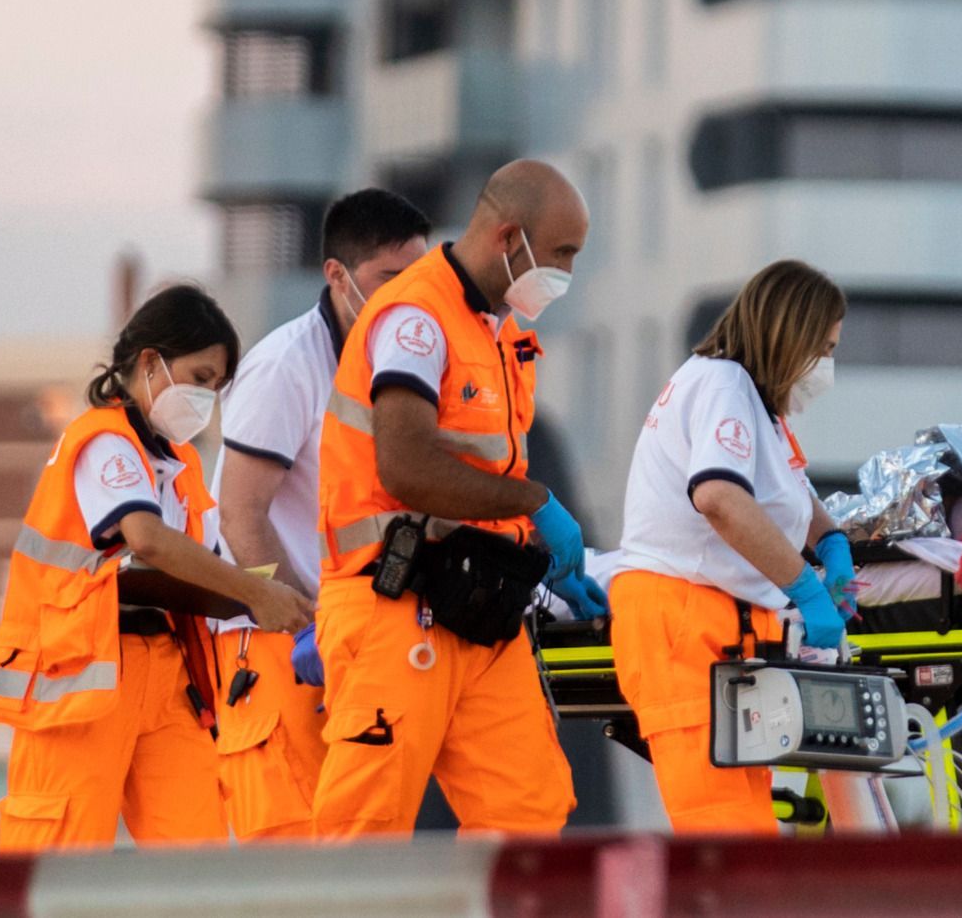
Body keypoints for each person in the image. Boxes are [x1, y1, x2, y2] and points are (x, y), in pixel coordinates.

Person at [312, 159, 603, 838]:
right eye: (560, 253)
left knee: (530, 817)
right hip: (395, 605)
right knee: (364, 832)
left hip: (475, 609)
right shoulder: (416, 319)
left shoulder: (500, 335)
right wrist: (538, 503)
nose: (566, 271)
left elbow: (477, 480)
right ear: (509, 239)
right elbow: (406, 464)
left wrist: (538, 555)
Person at [0, 285, 314, 852]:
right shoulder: (102, 444)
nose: (208, 395)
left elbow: (203, 564)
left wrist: (273, 595)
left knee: (194, 854)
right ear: (149, 362)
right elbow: (148, 540)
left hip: (167, 674)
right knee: (60, 866)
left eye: (216, 386)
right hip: (80, 672)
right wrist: (258, 596)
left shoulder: (179, 462)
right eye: (200, 376)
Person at [606, 259, 854, 834]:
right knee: (725, 840)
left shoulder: (751, 401)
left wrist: (832, 540)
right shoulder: (723, 384)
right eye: (824, 347)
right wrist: (807, 589)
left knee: (749, 838)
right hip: (681, 624)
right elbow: (719, 496)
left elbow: (789, 486)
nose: (826, 367)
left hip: (714, 631)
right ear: (788, 334)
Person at [212, 189, 430, 840]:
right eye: (390, 279)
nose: (407, 296)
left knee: (353, 851)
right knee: (291, 855)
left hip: (349, 645)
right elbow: (239, 515)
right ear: (337, 276)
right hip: (281, 642)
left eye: (418, 279)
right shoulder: (288, 366)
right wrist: (305, 621)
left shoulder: (395, 364)